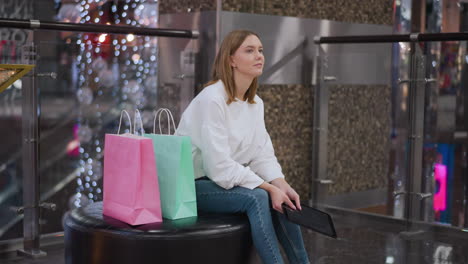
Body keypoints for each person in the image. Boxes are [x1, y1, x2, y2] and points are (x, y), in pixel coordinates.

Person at [175, 29, 310, 264]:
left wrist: (282, 184)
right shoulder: (212, 99)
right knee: (258, 197)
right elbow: (218, 167)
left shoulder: (256, 103)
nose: (259, 55)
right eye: (249, 50)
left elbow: (262, 153)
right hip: (191, 185)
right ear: (231, 60)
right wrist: (268, 188)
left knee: (282, 198)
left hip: (219, 182)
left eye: (260, 50)